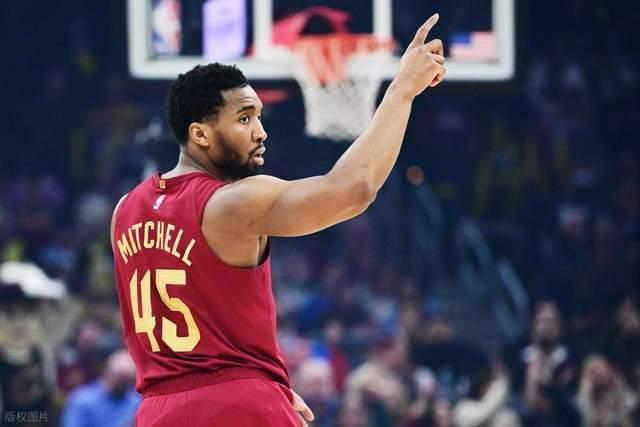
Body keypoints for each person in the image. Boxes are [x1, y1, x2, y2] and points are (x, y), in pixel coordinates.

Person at [110, 13, 446, 426]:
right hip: (240, 406)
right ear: (200, 134)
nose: (261, 131)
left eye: (259, 117)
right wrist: (403, 89)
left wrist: (264, 381)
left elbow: (193, 319)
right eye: (244, 118)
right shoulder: (231, 202)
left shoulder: (124, 210)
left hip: (158, 411)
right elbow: (353, 188)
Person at [61, 349, 141, 427]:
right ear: (107, 371)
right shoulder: (82, 400)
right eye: (121, 377)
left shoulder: (135, 402)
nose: (123, 383)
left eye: (127, 379)